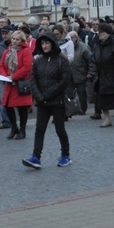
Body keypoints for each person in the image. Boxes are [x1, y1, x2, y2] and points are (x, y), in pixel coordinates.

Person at [22, 32, 73, 169]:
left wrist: (47, 95)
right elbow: (33, 79)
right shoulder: (38, 61)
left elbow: (64, 81)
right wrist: (39, 96)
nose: (44, 46)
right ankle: (36, 157)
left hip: (57, 101)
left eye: (47, 43)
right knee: (39, 129)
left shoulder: (62, 60)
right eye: (42, 43)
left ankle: (65, 155)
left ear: (52, 43)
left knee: (59, 129)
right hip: (42, 102)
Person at [0, 29, 33, 141]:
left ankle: (22, 129)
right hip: (9, 83)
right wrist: (5, 76)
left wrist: (13, 77)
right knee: (7, 106)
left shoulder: (26, 51)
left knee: (22, 108)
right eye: (13, 38)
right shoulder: (7, 51)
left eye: (17, 39)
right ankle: (14, 127)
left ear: (22, 40)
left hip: (21, 83)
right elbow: (1, 66)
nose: (14, 41)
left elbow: (26, 67)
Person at [68, 31, 95, 115]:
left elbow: (90, 61)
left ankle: (83, 109)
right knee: (69, 94)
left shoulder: (83, 47)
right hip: (69, 74)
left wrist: (91, 72)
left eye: (72, 37)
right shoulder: (67, 47)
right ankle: (70, 109)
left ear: (76, 38)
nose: (70, 39)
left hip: (81, 74)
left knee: (82, 93)